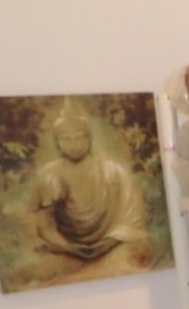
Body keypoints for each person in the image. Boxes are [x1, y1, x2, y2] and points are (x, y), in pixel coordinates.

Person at [31, 101, 148, 264]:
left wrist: (107, 243)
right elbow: (45, 227)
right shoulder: (50, 175)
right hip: (65, 245)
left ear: (89, 139)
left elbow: (132, 220)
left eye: (80, 137)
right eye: (66, 139)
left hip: (112, 242)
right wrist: (68, 248)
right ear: (57, 143)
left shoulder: (112, 172)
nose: (74, 145)